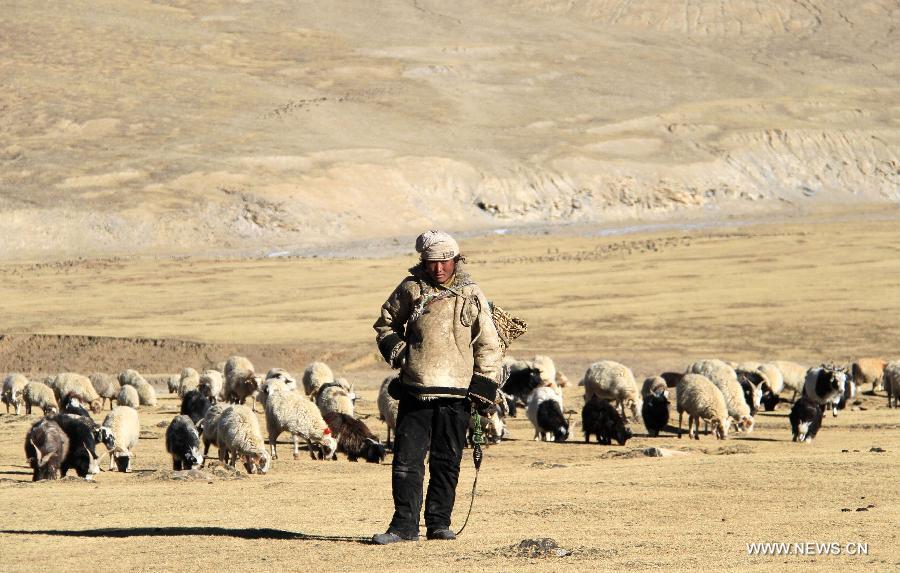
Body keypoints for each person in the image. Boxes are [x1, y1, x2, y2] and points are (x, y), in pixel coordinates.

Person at [371, 230, 502, 544]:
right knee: (406, 462)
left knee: (447, 461)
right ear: (423, 261)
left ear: (456, 260)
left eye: (445, 261)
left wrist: (484, 384)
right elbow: (386, 323)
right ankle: (403, 527)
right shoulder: (411, 288)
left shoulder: (470, 293)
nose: (439, 268)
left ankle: (439, 524)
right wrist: (402, 353)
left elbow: (487, 342)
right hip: (416, 389)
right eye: (432, 262)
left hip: (457, 393)